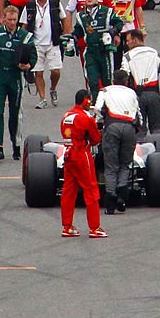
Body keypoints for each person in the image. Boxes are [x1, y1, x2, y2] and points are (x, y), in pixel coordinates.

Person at [0, 3, 35, 161]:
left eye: (14, 20)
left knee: (15, 113)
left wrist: (28, 65)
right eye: (9, 19)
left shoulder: (25, 36)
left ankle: (16, 146)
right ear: (3, 19)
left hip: (16, 77)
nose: (11, 23)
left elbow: (33, 57)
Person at [58, 89, 107, 239]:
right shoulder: (86, 117)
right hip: (81, 154)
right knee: (91, 189)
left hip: (67, 153)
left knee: (68, 190)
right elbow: (95, 139)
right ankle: (94, 228)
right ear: (86, 100)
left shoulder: (66, 115)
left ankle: (67, 227)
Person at [93, 72, 140, 216]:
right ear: (126, 82)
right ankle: (122, 196)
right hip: (129, 128)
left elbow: (97, 110)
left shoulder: (105, 90)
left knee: (111, 166)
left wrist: (99, 124)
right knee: (125, 164)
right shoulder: (132, 92)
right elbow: (139, 115)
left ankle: (110, 202)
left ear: (113, 81)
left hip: (112, 127)